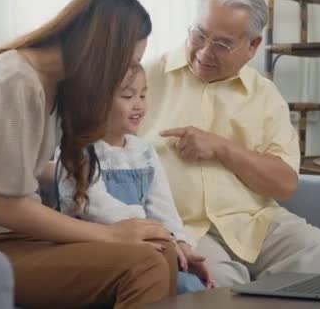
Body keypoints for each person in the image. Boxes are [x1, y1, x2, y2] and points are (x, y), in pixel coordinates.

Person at [0, 0, 178, 308]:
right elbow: (8, 208)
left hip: (15, 239)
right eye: (130, 61)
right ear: (104, 49)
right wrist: (112, 234)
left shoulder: (50, 81)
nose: (131, 73)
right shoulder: (16, 82)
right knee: (145, 263)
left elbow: (27, 171)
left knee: (162, 246)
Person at [139, 0, 320, 287]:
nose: (205, 51)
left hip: (252, 221)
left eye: (222, 44)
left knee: (318, 249)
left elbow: (285, 183)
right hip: (183, 226)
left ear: (253, 46)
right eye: (199, 34)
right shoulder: (147, 78)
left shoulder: (264, 95)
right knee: (221, 279)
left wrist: (221, 148)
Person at [58, 65, 216, 295]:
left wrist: (181, 244)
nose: (139, 104)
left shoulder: (144, 152)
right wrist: (160, 235)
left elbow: (163, 208)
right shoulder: (78, 151)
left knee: (194, 286)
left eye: (143, 95)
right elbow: (97, 207)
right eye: (127, 96)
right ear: (95, 101)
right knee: (180, 286)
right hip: (98, 250)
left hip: (147, 243)